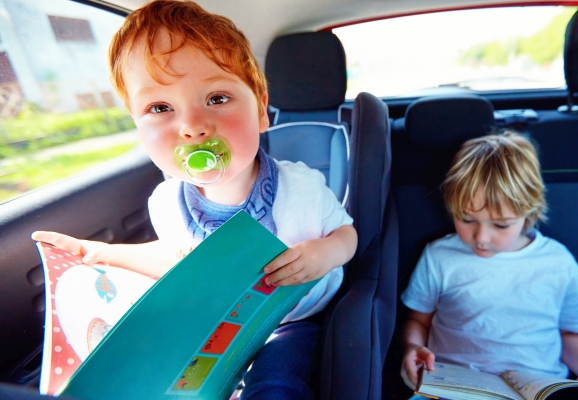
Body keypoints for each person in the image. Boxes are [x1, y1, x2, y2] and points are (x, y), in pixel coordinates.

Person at [31, 1, 357, 399]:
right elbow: (178, 261)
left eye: (217, 98)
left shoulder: (302, 186)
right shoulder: (166, 202)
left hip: (289, 319)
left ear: (260, 110)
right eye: (160, 107)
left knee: (275, 383)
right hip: (216, 324)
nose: (192, 127)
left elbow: (347, 234)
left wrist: (323, 253)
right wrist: (100, 252)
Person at [400, 131, 578, 395]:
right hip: (454, 386)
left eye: (501, 224)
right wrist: (412, 348)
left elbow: (567, 334)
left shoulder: (559, 263)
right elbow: (418, 320)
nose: (481, 237)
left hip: (536, 388)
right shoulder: (439, 256)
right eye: (467, 220)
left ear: (529, 210)